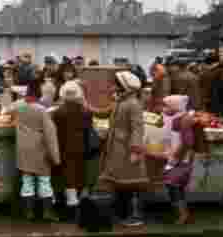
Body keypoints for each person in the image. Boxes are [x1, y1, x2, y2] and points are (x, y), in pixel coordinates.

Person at [98, 70, 149, 226]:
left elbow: (137, 128)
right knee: (121, 182)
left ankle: (134, 216)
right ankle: (123, 214)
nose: (114, 87)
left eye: (116, 84)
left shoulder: (132, 104)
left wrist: (135, 149)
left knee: (131, 184)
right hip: (118, 148)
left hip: (127, 149)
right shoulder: (123, 102)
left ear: (124, 86)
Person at [14, 79, 61, 222]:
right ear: (38, 94)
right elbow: (50, 135)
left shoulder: (19, 106)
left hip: (23, 149)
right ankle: (47, 212)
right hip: (40, 150)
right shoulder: (42, 111)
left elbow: (5, 107)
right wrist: (56, 157)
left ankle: (28, 213)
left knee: (27, 181)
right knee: (44, 181)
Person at [159, 95, 202, 225]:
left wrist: (175, 158)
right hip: (180, 156)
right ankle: (181, 213)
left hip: (181, 158)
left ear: (175, 107)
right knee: (177, 186)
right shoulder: (178, 117)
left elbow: (187, 142)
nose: (164, 108)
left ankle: (182, 215)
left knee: (173, 184)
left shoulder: (183, 120)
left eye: (167, 105)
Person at [51, 81, 92, 216]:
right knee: (79, 172)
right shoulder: (85, 112)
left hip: (63, 147)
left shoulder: (57, 113)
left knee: (66, 174)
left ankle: (69, 202)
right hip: (81, 147)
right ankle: (77, 201)